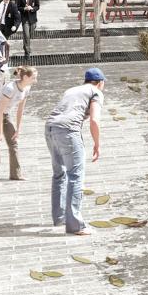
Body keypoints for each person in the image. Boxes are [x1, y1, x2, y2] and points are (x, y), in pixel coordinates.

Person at [45, 68, 105, 235]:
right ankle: (75, 225)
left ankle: (60, 218)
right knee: (75, 175)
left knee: (59, 174)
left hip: (50, 127)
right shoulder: (96, 92)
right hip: (67, 130)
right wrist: (97, 144)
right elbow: (94, 120)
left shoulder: (72, 90)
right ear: (100, 83)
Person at [0, 65, 35, 185]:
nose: (35, 80)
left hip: (5, 114)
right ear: (24, 77)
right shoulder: (10, 88)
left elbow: (20, 110)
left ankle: (16, 174)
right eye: (33, 78)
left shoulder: (26, 88)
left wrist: (18, 129)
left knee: (13, 142)